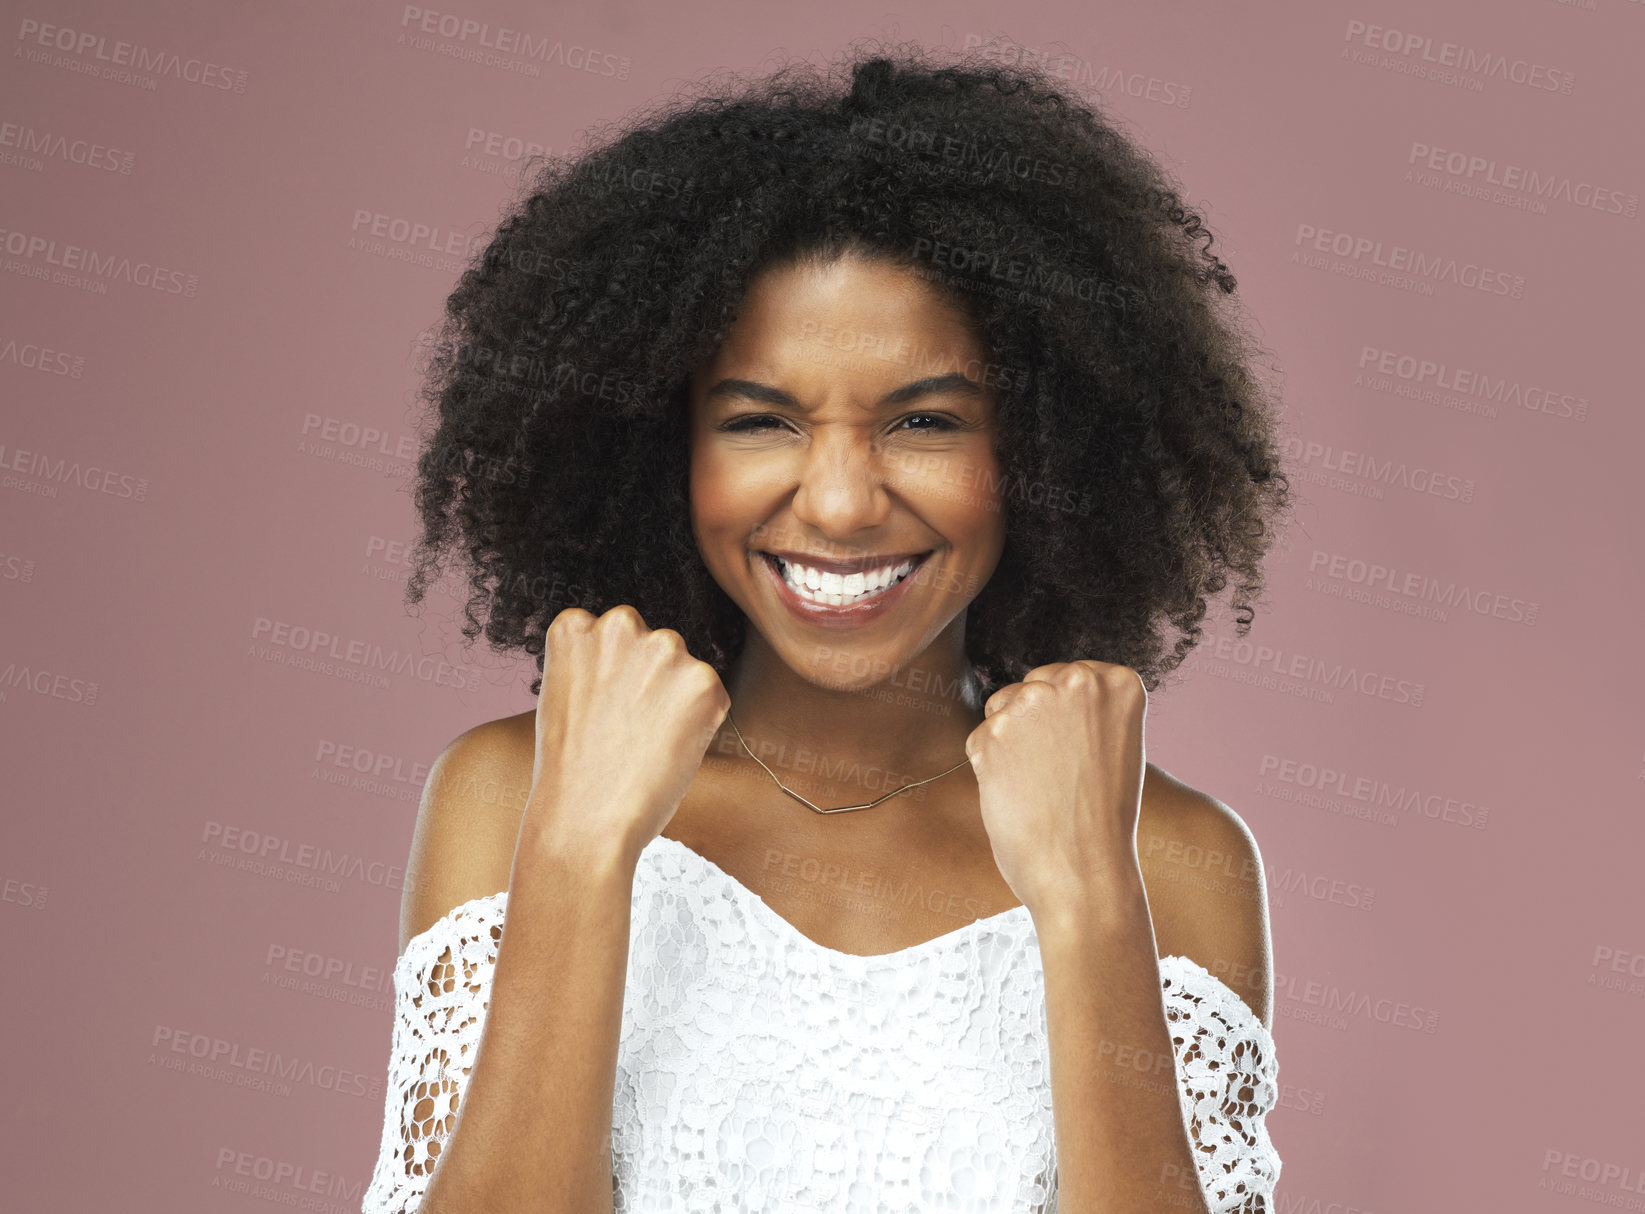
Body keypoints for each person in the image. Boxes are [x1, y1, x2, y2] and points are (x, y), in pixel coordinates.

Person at [362, 40, 1295, 1214]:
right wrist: (578, 849)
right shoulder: (510, 796)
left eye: (923, 421)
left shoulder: (1174, 860)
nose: (844, 500)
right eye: (762, 420)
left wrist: (1089, 897)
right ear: (664, 445)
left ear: (1044, 449)